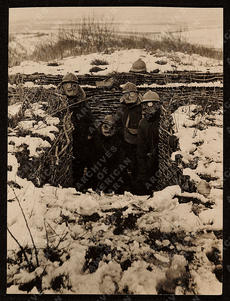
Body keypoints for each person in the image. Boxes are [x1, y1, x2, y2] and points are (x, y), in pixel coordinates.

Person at [58, 72, 95, 191]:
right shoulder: (59, 102)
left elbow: (90, 120)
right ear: (63, 87)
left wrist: (90, 133)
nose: (70, 88)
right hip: (64, 139)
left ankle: (79, 188)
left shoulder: (82, 102)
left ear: (77, 87)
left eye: (73, 85)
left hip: (80, 139)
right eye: (66, 85)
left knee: (80, 162)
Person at [89, 115, 129, 194]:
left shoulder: (118, 140)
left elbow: (120, 159)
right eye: (105, 126)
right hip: (99, 169)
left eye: (111, 127)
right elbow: (92, 158)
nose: (107, 130)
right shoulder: (96, 139)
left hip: (113, 170)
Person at [114, 82, 142, 187]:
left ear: (137, 94)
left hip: (138, 141)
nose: (128, 97)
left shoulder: (142, 107)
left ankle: (137, 188)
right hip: (124, 141)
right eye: (126, 94)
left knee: (137, 166)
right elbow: (117, 121)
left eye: (131, 94)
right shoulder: (122, 107)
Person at [135, 90, 162, 195]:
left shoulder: (162, 120)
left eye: (151, 104)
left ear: (157, 105)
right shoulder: (143, 123)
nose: (147, 107)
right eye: (145, 105)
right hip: (148, 159)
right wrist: (143, 166)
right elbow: (140, 148)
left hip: (160, 158)